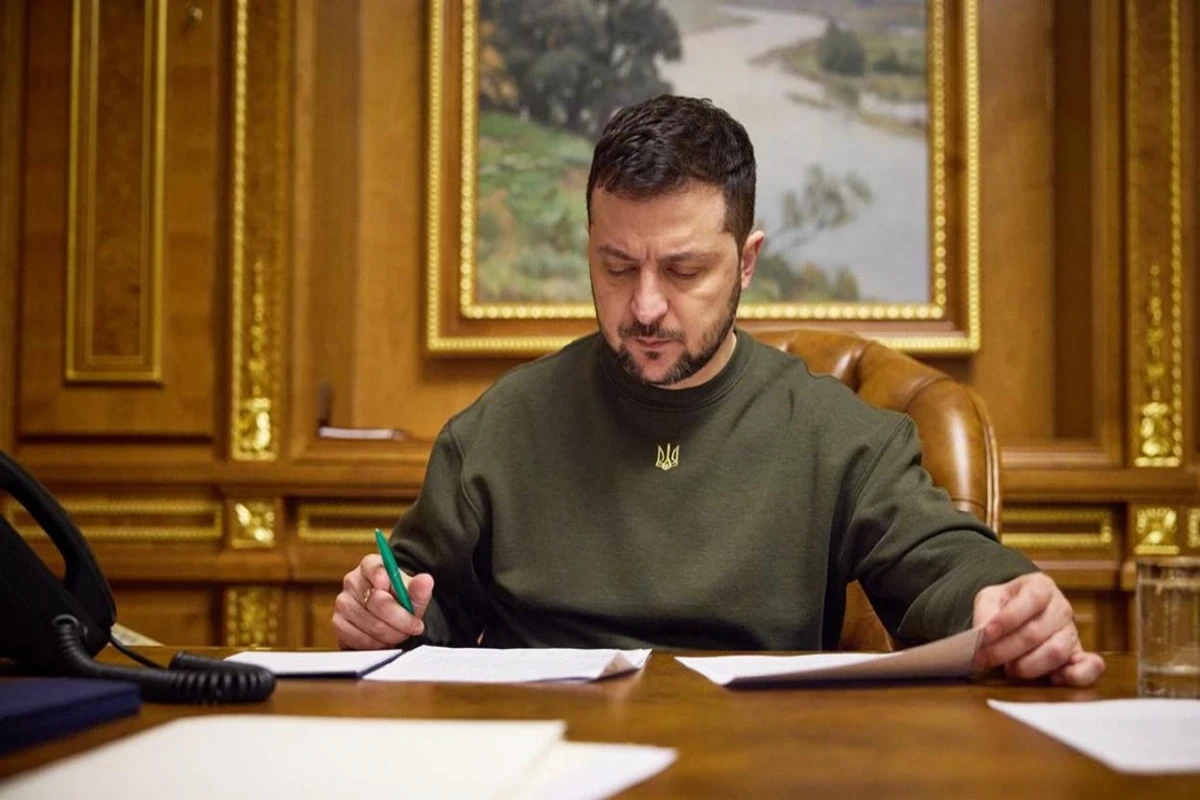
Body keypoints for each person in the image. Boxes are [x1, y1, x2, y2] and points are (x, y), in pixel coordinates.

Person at [333, 95, 1104, 687]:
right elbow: (421, 605)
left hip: (759, 764)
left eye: (684, 270)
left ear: (748, 262)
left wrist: (1003, 602)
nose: (645, 306)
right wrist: (385, 614)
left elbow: (943, 564)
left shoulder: (836, 434)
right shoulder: (502, 425)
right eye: (616, 266)